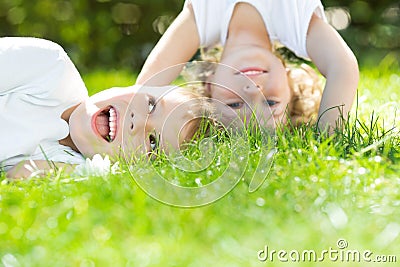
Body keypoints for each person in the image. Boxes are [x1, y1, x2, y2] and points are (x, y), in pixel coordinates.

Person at [0, 37, 211, 178]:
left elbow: (21, 175)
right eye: (151, 104)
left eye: (153, 142)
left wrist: (89, 171)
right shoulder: (49, 66)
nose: (138, 123)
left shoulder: (71, 164)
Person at [136, 0, 359, 132]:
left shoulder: (204, 20)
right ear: (291, 85)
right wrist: (327, 138)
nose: (253, 90)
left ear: (209, 85)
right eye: (271, 103)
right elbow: (343, 67)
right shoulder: (291, 21)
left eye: (234, 104)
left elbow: (142, 93)